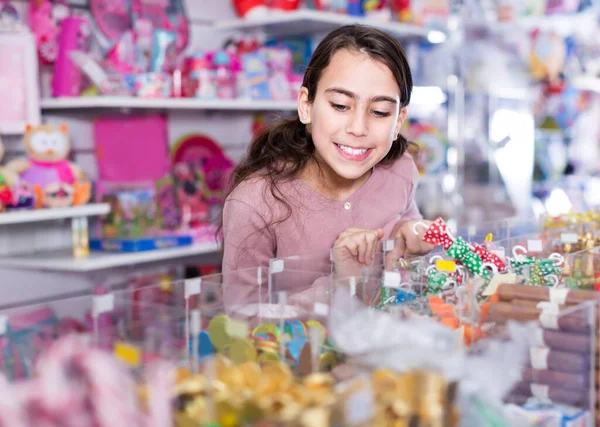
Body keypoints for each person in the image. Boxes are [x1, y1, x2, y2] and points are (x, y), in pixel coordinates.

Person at [221, 24, 433, 281]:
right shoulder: (255, 203)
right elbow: (242, 318)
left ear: (398, 121)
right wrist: (340, 285)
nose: (358, 128)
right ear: (306, 106)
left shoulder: (401, 169)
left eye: (379, 112)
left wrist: (410, 232)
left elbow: (411, 244)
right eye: (340, 105)